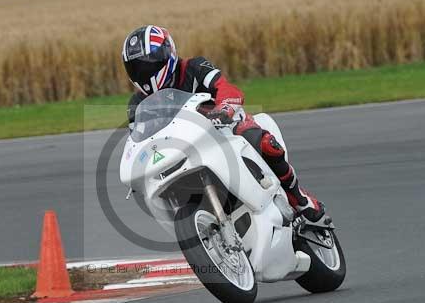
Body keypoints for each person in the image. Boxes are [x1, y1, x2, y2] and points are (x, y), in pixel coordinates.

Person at [122, 25, 325, 222]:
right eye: (137, 68)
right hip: (181, 152)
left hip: (223, 128)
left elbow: (226, 88)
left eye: (149, 64)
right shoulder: (137, 105)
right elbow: (140, 142)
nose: (144, 72)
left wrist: (224, 109)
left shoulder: (194, 68)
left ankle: (299, 198)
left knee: (263, 142)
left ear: (169, 52)